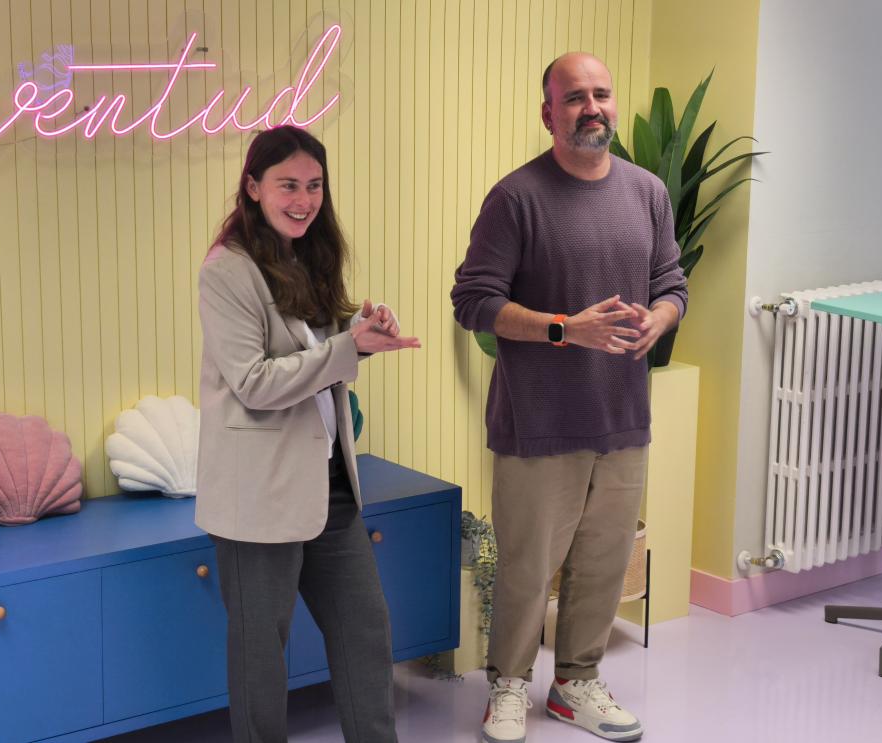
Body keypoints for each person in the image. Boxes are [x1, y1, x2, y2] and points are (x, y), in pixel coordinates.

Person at [451, 53, 688, 743]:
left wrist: (660, 319)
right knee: (527, 569)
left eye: (601, 94)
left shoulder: (648, 192)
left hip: (622, 419)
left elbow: (671, 283)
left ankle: (575, 683)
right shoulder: (516, 197)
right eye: (575, 96)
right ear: (548, 113)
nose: (592, 107)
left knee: (604, 564)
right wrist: (564, 328)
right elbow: (473, 301)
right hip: (539, 425)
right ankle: (508, 687)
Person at [196, 125, 420, 743]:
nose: (304, 200)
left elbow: (314, 349)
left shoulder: (308, 255)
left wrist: (361, 331)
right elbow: (254, 382)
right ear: (253, 187)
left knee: (365, 630)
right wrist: (347, 348)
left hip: (329, 481)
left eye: (314, 185)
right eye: (288, 185)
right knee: (261, 655)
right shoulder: (226, 270)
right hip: (258, 495)